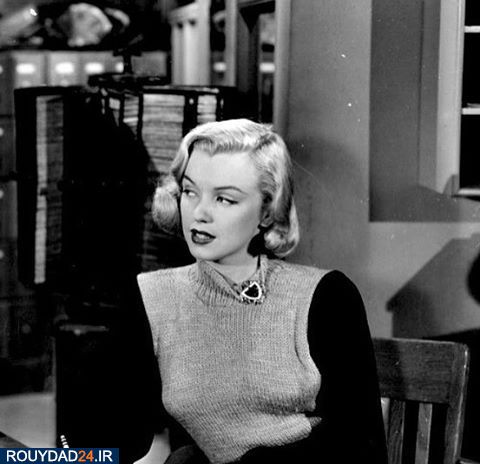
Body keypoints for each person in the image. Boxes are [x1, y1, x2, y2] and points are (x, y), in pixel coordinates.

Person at [137, 119, 388, 464]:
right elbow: (120, 433)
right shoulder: (153, 297)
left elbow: (361, 446)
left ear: (267, 212)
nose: (200, 213)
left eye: (225, 199)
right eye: (190, 192)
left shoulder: (327, 296)